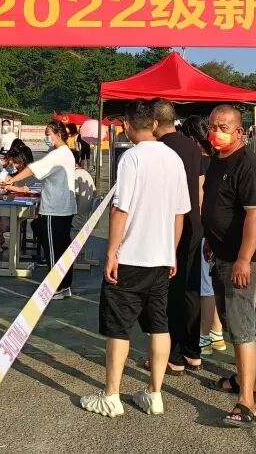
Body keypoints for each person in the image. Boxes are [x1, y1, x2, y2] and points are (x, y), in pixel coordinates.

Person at [80, 99, 190, 418]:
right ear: (154, 124)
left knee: (118, 327)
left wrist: (112, 251)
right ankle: (155, 392)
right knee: (159, 324)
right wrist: (172, 251)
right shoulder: (174, 159)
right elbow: (180, 213)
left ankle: (111, 395)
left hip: (131, 256)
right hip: (161, 258)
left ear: (127, 125)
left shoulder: (131, 157)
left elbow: (121, 209)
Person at [200, 104, 256, 427]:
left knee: (242, 326)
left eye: (224, 127)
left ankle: (247, 403)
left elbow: (255, 216)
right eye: (213, 126)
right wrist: (210, 240)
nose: (216, 132)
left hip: (244, 259)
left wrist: (243, 259)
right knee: (231, 320)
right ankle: (244, 379)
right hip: (221, 254)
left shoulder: (249, 167)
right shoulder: (217, 161)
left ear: (240, 132)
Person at [152, 100, 210, 373]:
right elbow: (200, 188)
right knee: (191, 289)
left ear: (154, 122)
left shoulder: (158, 149)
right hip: (194, 224)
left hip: (168, 225)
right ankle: (192, 351)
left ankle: (173, 356)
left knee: (169, 291)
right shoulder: (192, 147)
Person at [2, 120, 77, 299]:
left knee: (53, 250)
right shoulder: (67, 153)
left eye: (48, 134)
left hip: (54, 209)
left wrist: (12, 180)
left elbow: (33, 169)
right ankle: (65, 285)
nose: (46, 138)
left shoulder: (57, 154)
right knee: (63, 249)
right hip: (65, 208)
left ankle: (56, 287)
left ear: (58, 134)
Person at [180, 115, 225, 354]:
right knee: (212, 282)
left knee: (204, 285)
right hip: (218, 229)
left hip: (204, 229)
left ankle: (204, 336)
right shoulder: (219, 161)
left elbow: (200, 200)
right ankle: (216, 331)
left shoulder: (199, 163)